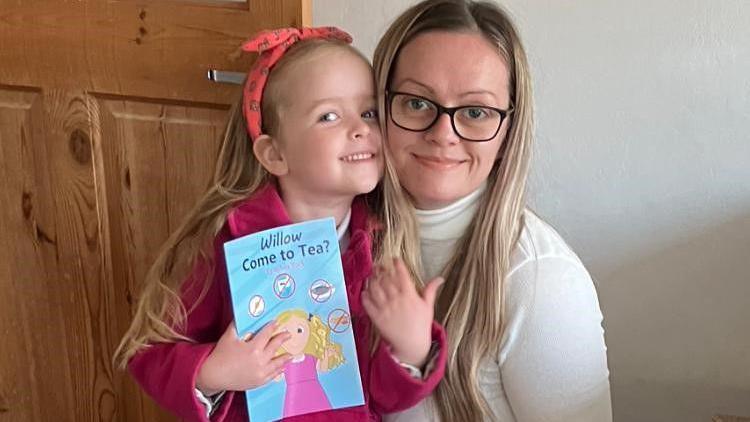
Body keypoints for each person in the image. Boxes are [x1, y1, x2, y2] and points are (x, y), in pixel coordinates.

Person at [114, 26, 446, 422]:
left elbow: (380, 397)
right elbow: (150, 354)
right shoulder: (226, 242)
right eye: (329, 116)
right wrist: (213, 372)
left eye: (369, 112)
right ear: (274, 154)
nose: (360, 129)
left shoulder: (382, 244)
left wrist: (411, 351)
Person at [368, 1, 613, 421]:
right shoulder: (342, 236)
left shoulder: (541, 279)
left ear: (508, 130)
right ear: (379, 107)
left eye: (476, 112)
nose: (443, 134)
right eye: (416, 103)